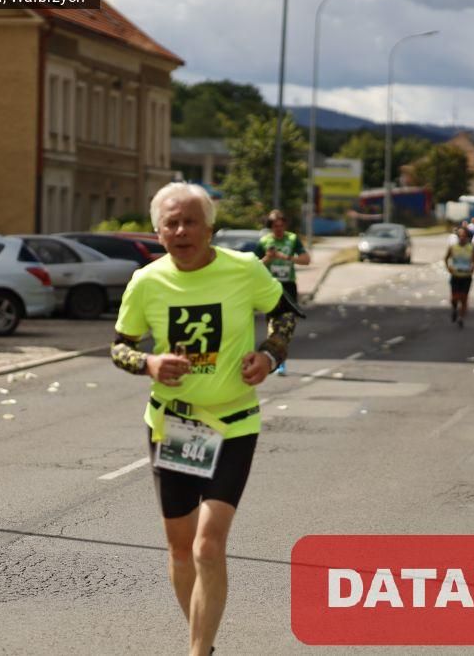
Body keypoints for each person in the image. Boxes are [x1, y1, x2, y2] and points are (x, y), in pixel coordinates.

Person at [111, 182, 300, 656]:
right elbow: (120, 347)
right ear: (159, 233)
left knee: (207, 546)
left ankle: (197, 652)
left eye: (190, 222)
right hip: (173, 425)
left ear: (209, 228)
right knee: (181, 551)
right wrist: (149, 363)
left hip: (234, 421)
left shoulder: (244, 268)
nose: (181, 231)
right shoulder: (146, 282)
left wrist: (270, 355)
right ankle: (205, 643)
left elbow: (284, 315)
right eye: (171, 224)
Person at [254, 209, 309, 375]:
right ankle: (275, 358)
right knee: (273, 324)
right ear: (270, 226)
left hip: (288, 286)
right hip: (271, 287)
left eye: (281, 225)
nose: (278, 229)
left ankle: (280, 359)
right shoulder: (264, 242)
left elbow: (306, 260)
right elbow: (254, 266)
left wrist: (285, 257)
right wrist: (268, 258)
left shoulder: (292, 239)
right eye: (274, 226)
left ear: (285, 225)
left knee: (287, 324)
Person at [445, 226, 474, 328]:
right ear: (457, 237)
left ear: (467, 237)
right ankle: (454, 309)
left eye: (464, 236)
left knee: (464, 298)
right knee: (454, 298)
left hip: (466, 276)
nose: (462, 238)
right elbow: (446, 258)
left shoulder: (472, 248)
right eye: (460, 236)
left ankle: (461, 317)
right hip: (455, 276)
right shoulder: (453, 247)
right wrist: (448, 268)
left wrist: (473, 267)